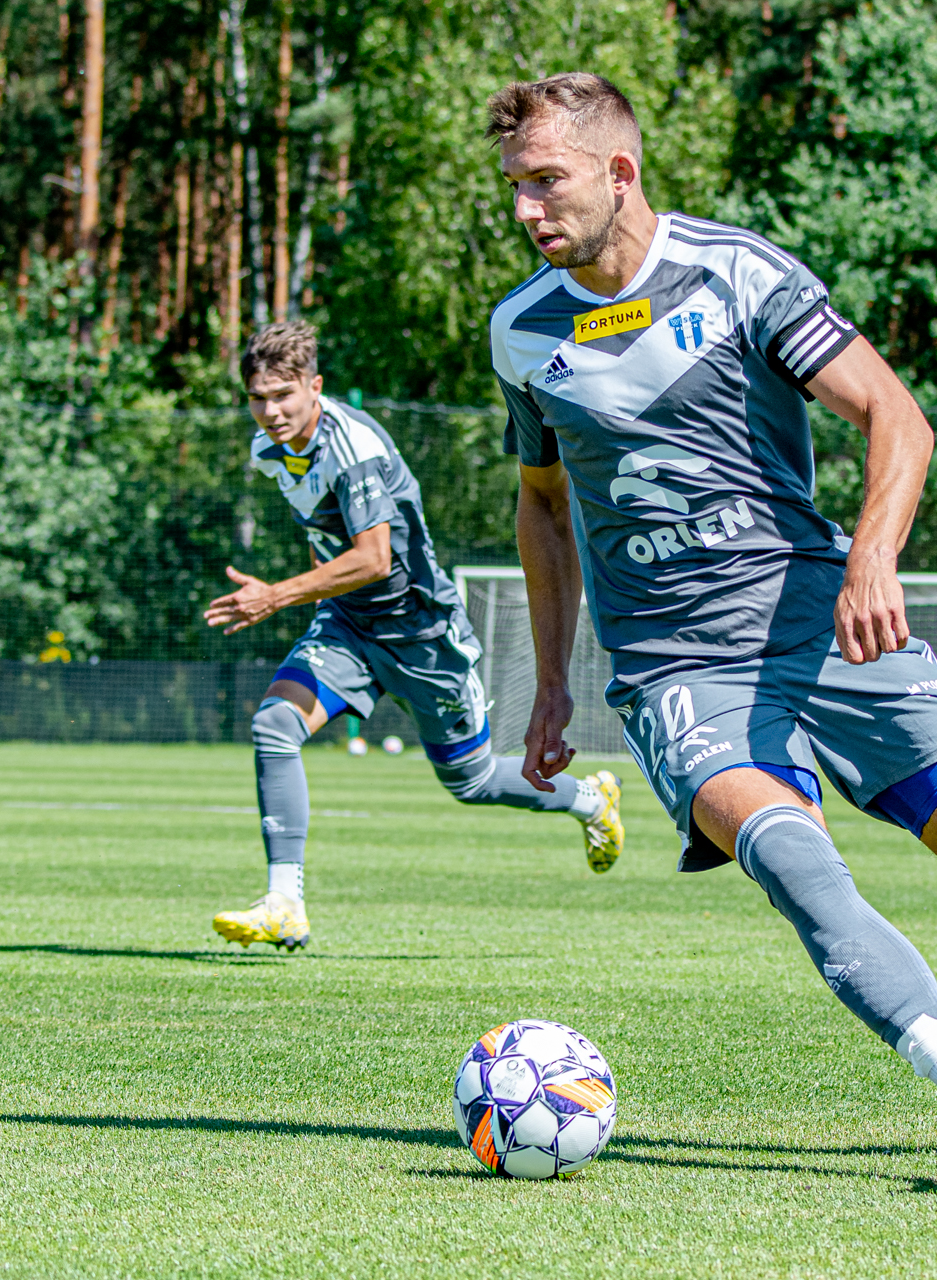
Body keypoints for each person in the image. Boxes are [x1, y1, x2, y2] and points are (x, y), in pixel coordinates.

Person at [487, 72, 937, 1176]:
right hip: (674, 664)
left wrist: (871, 560)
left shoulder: (739, 274)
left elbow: (896, 416)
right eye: (513, 185)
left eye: (546, 181)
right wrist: (551, 681)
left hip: (820, 620)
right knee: (798, 866)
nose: (525, 208)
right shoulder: (519, 329)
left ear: (620, 171)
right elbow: (543, 504)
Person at [201, 321, 626, 951]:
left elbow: (374, 558)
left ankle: (590, 799)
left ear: (315, 387)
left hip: (422, 634)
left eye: (283, 394)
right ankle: (285, 903)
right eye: (258, 398)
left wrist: (276, 594)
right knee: (274, 726)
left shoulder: (354, 449)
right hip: (350, 625)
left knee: (470, 780)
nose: (271, 411)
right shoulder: (273, 448)